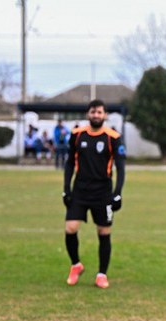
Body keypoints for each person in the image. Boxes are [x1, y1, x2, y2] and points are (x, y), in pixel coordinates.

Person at [62, 99, 126, 289]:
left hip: (103, 192)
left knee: (103, 232)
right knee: (70, 228)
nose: (96, 115)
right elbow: (69, 163)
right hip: (80, 190)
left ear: (105, 115)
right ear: (87, 114)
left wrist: (118, 193)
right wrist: (66, 189)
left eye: (99, 112)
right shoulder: (77, 135)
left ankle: (101, 274)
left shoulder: (113, 137)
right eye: (93, 112)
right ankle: (76, 265)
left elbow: (121, 167)